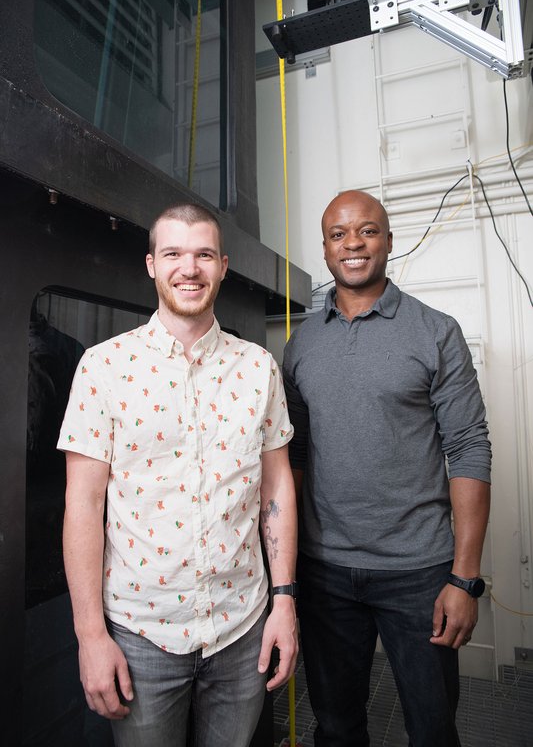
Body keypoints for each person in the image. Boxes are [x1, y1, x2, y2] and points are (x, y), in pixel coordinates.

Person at [58, 204, 298, 747]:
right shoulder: (103, 368)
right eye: (173, 254)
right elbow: (82, 507)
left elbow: (277, 488)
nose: (188, 269)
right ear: (151, 264)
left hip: (242, 627)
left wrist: (284, 601)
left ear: (223, 266)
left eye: (203, 255)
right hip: (142, 635)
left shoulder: (259, 367)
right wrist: (89, 634)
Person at [283, 190, 491, 747]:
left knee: (431, 729)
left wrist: (464, 578)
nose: (353, 243)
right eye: (338, 234)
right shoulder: (300, 345)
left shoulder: (435, 331)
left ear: (389, 241)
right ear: (325, 250)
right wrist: (286, 569)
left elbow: (469, 446)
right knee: (336, 726)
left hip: (419, 573)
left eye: (367, 231)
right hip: (325, 571)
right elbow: (294, 456)